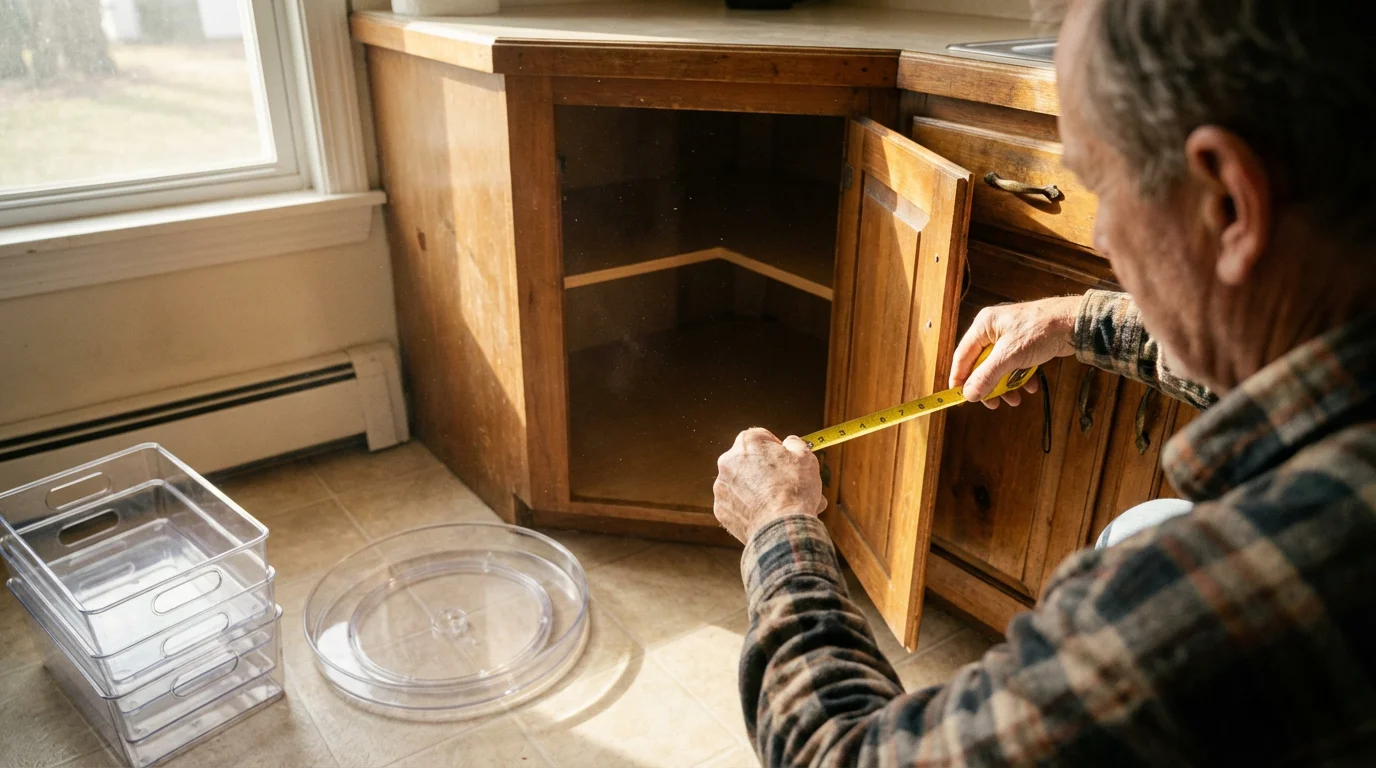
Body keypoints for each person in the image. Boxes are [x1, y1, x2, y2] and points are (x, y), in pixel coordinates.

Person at [712, 0, 1376, 764]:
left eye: (1103, 185)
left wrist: (780, 527)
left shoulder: (1222, 598)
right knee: (1146, 523)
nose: (1100, 236)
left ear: (1228, 202)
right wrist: (1073, 320)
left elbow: (840, 753)